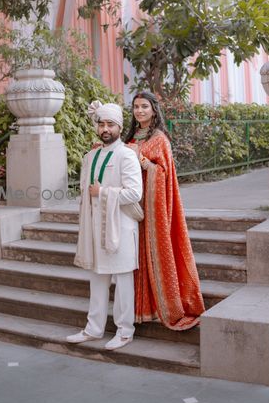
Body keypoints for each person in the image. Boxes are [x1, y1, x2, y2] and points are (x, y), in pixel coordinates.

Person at [124, 91, 205, 330]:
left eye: (144, 107)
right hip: (131, 203)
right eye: (136, 107)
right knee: (135, 254)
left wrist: (143, 162)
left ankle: (162, 307)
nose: (139, 111)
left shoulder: (159, 138)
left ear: (153, 110)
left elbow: (164, 173)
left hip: (151, 206)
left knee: (153, 251)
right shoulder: (130, 136)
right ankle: (138, 309)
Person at [66, 100, 143, 350]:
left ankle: (125, 331)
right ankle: (93, 329)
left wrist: (103, 192)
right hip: (94, 227)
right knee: (97, 278)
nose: (105, 129)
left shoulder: (126, 155)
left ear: (119, 127)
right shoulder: (90, 156)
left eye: (111, 124)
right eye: (101, 124)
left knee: (123, 281)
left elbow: (135, 193)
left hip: (120, 227)